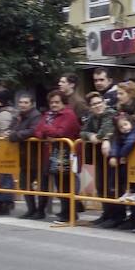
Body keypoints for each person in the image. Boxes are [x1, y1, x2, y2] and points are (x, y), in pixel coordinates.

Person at [33, 90, 81, 224]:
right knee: (59, 185)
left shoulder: (69, 115)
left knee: (67, 185)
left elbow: (61, 133)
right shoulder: (48, 115)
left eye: (57, 102)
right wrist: (45, 133)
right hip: (53, 154)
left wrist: (46, 129)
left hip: (67, 154)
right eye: (51, 102)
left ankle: (70, 213)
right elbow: (37, 131)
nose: (54, 105)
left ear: (63, 102)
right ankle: (65, 212)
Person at [80, 91, 120, 227]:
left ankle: (115, 216)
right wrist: (91, 136)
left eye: (99, 103)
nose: (97, 106)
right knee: (101, 185)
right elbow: (82, 132)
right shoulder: (92, 117)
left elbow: (105, 131)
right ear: (90, 107)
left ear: (104, 102)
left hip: (112, 155)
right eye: (94, 104)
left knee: (111, 186)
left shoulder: (110, 113)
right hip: (99, 156)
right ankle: (106, 214)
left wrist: (100, 137)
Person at [6, 92, 42, 219]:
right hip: (22, 155)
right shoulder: (18, 116)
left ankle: (40, 211)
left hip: (36, 155)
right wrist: (11, 133)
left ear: (32, 104)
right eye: (21, 102)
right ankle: (31, 209)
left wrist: (15, 135)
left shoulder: (36, 115)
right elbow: (10, 129)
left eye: (26, 102)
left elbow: (33, 131)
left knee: (41, 185)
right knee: (24, 184)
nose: (23, 105)